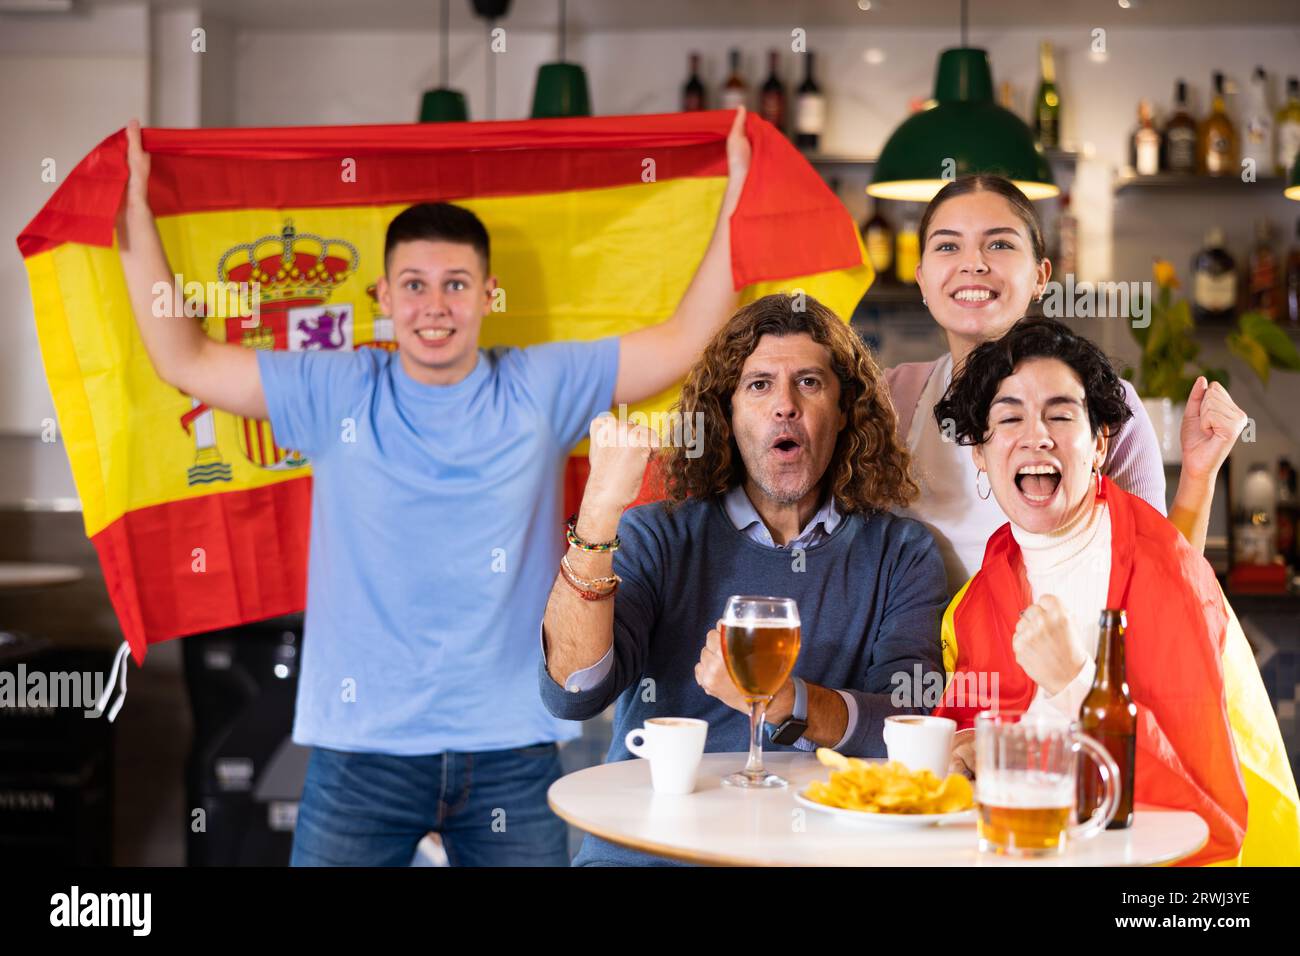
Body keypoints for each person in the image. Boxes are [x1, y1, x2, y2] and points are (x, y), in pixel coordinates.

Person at [114, 111, 752, 866]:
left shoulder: (540, 384)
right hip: (361, 753)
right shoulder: (337, 389)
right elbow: (183, 358)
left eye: (456, 284)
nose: (434, 306)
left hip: (512, 746)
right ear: (382, 296)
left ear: (489, 293)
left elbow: (688, 339)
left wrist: (741, 185)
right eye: (414, 285)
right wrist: (133, 212)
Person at [540, 292, 948, 865]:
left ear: (845, 408)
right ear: (726, 416)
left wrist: (793, 703)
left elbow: (912, 726)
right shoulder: (657, 536)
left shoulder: (900, 554)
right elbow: (572, 692)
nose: (784, 405)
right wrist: (599, 514)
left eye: (809, 382)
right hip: (647, 853)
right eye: (758, 385)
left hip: (811, 853)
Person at [929, 316, 1300, 866]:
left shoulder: (1167, 572)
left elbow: (1202, 811)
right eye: (1009, 418)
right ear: (979, 453)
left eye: (1060, 414)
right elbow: (966, 752)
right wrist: (963, 753)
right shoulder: (977, 600)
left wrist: (1076, 682)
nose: (1036, 435)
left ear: (1101, 442)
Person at [889, 175, 1247, 593]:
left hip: (1065, 657)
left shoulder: (1104, 402)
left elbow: (1161, 586)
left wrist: (1199, 477)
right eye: (948, 245)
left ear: (1042, 276)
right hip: (915, 657)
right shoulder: (889, 399)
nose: (974, 263)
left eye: (1000, 244)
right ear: (922, 279)